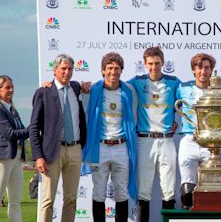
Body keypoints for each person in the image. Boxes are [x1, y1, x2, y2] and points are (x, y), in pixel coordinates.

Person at [30, 54, 87, 222]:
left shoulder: (76, 88)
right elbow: (34, 127)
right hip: (51, 153)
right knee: (48, 199)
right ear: (55, 70)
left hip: (75, 149)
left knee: (71, 199)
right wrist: (38, 156)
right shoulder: (43, 92)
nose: (67, 72)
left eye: (70, 69)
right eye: (63, 68)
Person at [81, 52, 138, 222]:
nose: (113, 72)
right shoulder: (92, 90)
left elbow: (133, 116)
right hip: (100, 148)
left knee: (121, 191)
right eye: (110, 68)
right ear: (103, 71)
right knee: (99, 191)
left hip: (121, 147)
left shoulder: (129, 91)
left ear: (122, 70)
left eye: (117, 68)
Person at [127, 47, 180, 222]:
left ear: (163, 63)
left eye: (157, 63)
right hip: (145, 140)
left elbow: (188, 99)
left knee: (169, 190)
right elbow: (113, 85)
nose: (154, 67)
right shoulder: (136, 82)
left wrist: (180, 121)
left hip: (167, 141)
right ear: (144, 64)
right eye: (150, 64)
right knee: (144, 190)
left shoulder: (174, 82)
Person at [176, 53, 215, 210]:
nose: (203, 72)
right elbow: (164, 104)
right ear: (193, 70)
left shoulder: (219, 90)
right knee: (187, 189)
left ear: (211, 70)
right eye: (199, 68)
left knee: (209, 189)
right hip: (189, 141)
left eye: (206, 68)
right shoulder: (182, 88)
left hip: (211, 143)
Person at [0, 75, 29, 222]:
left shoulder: (12, 109)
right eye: (7, 87)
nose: (11, 90)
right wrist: (33, 129)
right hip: (3, 158)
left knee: (15, 202)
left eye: (12, 87)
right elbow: (9, 134)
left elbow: (23, 132)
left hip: (17, 157)